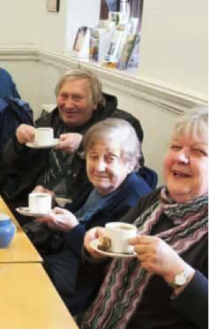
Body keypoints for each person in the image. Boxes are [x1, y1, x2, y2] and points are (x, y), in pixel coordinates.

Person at [81, 105, 209, 329]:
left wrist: (178, 273)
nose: (180, 156)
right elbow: (104, 265)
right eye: (175, 146)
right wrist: (96, 251)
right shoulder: (155, 201)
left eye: (199, 152)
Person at [28, 119, 151, 314]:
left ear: (130, 163)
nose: (99, 167)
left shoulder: (133, 202)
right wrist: (52, 206)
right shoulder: (98, 184)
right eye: (93, 157)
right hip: (55, 258)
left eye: (110, 158)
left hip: (78, 285)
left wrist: (72, 229)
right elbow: (79, 216)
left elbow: (106, 264)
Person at [1, 68, 144, 216]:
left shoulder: (119, 126)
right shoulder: (49, 121)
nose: (68, 105)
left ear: (95, 102)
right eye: (64, 96)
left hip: (77, 211)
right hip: (34, 203)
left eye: (77, 98)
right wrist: (18, 144)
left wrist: (85, 144)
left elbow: (133, 172)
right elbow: (12, 167)